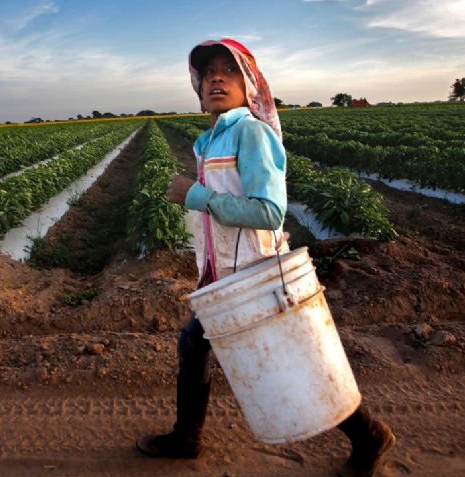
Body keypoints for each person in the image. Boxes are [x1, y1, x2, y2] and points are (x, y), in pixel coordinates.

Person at [136, 38, 395, 477]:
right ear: (198, 88)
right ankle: (187, 436)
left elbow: (269, 211)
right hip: (226, 272)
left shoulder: (250, 132)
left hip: (257, 273)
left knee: (296, 356)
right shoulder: (209, 140)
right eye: (209, 72)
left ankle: (369, 435)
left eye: (229, 70)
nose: (217, 77)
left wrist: (195, 195)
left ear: (249, 84)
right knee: (195, 344)